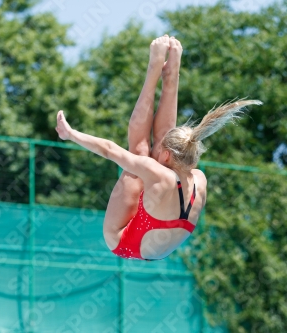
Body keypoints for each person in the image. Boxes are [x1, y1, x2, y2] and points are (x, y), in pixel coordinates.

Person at [55, 35, 262, 261]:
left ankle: (158, 70)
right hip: (154, 243)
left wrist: (71, 134)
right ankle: (170, 76)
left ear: (165, 154)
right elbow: (172, 155)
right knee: (152, 161)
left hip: (124, 242)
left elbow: (109, 150)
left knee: (139, 154)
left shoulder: (171, 175)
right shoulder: (198, 179)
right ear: (192, 158)